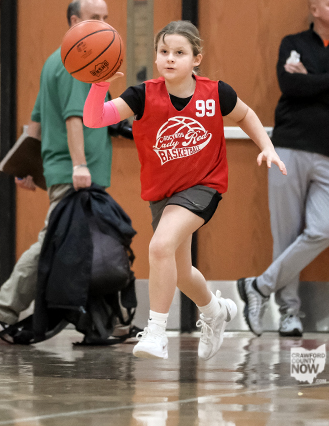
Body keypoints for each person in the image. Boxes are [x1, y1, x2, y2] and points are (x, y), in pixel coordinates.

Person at [82, 20, 287, 360]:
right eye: (164, 51)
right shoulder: (142, 94)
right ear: (156, 56)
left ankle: (156, 332)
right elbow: (95, 119)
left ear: (196, 59)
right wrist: (98, 85)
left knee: (160, 246)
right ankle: (214, 312)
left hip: (203, 186)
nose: (170, 58)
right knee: (180, 274)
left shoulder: (216, 92)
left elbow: (246, 115)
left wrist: (267, 146)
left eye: (179, 52)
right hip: (162, 193)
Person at [236, 0, 329, 337]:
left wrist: (313, 82)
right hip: (289, 148)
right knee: (286, 235)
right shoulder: (292, 43)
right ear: (315, 10)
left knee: (324, 230)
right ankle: (289, 314)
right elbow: (290, 86)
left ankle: (259, 286)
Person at [0, 0, 115, 340]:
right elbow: (73, 118)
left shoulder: (56, 60)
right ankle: (1, 310)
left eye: (106, 17)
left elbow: (36, 123)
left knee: (86, 246)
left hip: (68, 172)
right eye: (95, 17)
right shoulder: (80, 60)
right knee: (52, 242)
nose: (104, 24)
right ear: (75, 22)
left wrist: (28, 167)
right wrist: (79, 166)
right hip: (76, 174)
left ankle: (101, 323)